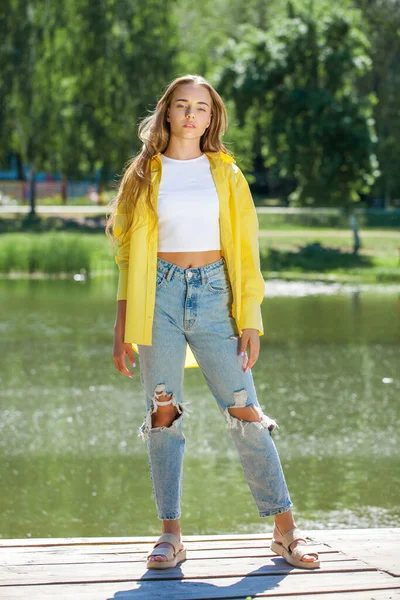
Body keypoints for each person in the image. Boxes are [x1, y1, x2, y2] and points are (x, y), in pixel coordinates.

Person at [106, 74, 320, 571]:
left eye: (201, 107)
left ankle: (285, 531)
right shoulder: (143, 174)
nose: (190, 115)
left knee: (245, 410)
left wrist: (251, 318)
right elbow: (124, 259)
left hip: (215, 296)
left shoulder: (226, 174)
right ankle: (170, 535)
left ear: (212, 117)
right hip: (154, 297)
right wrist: (121, 328)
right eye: (182, 105)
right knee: (164, 414)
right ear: (166, 112)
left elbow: (246, 252)